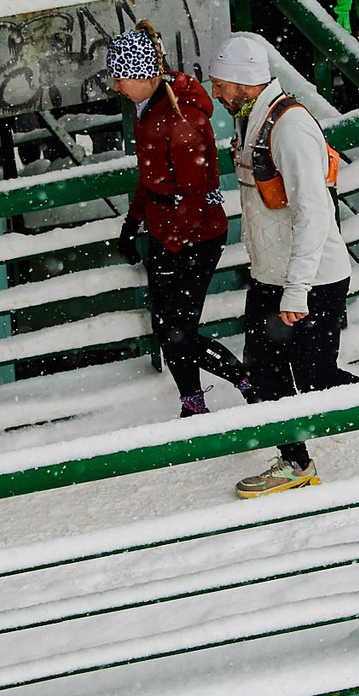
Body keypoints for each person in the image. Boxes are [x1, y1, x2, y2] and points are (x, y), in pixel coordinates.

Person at [211, 31, 356, 499]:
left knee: (316, 378)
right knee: (264, 368)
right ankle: (295, 462)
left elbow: (314, 212)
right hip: (272, 273)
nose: (216, 93)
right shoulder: (251, 118)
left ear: (241, 82)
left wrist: (297, 290)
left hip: (311, 277)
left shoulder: (288, 128)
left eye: (220, 84)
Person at [108, 27, 252, 417]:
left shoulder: (179, 119)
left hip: (197, 237)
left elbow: (194, 193)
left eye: (121, 78)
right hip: (165, 232)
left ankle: (246, 382)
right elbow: (149, 176)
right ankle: (193, 401)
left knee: (179, 332)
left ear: (144, 75)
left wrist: (173, 241)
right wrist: (133, 222)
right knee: (166, 328)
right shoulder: (147, 111)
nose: (117, 86)